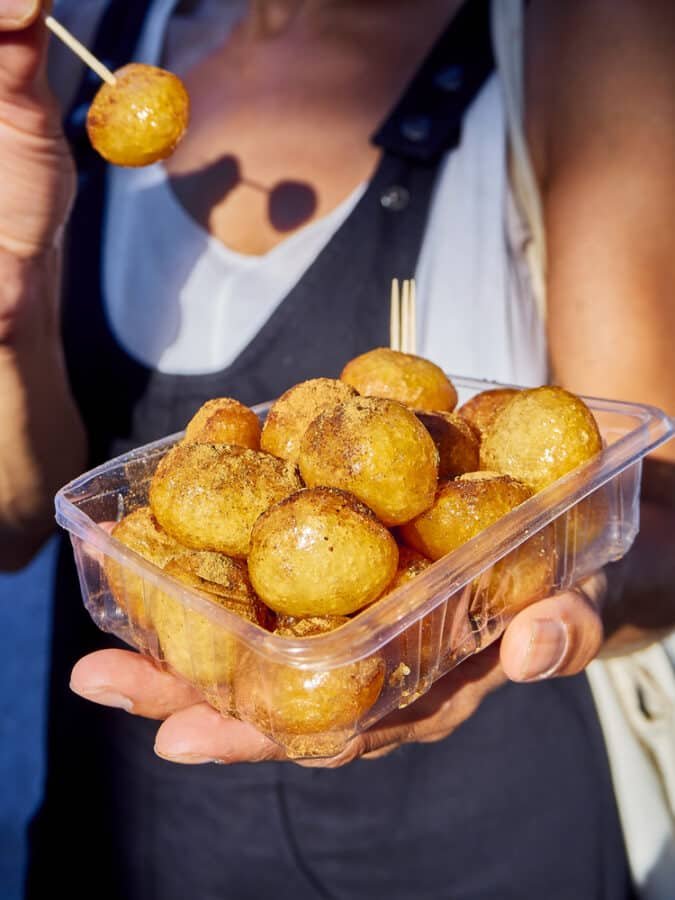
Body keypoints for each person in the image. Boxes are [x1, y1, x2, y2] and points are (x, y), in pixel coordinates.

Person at [0, 0, 673, 897]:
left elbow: (657, 505)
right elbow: (18, 521)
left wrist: (567, 579)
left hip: (488, 843)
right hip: (133, 834)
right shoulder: (74, 43)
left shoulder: (586, 30)